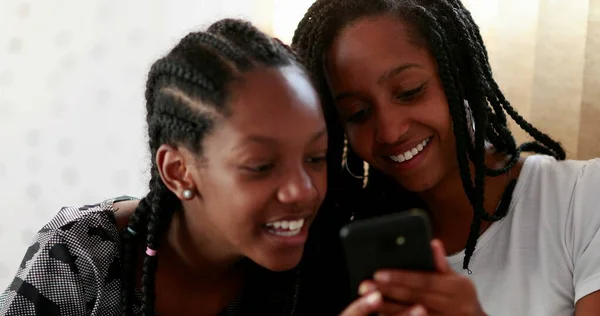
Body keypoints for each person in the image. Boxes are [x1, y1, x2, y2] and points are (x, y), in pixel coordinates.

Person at [0, 18, 330, 316]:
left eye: (315, 158)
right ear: (178, 171)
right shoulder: (81, 258)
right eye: (262, 166)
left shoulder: (312, 269)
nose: (302, 190)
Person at [292, 0, 600, 315]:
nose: (389, 132)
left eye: (409, 91)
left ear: (459, 73)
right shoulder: (346, 253)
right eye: (358, 113)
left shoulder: (582, 197)